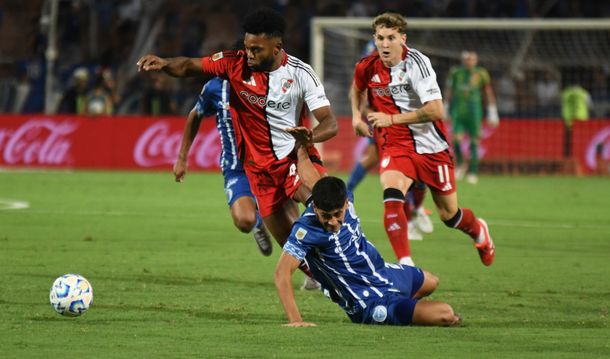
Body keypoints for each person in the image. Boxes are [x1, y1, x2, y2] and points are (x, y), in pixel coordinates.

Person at [137, 8, 337, 271]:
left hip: (290, 158)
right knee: (282, 244)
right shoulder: (229, 69)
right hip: (250, 168)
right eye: (246, 48)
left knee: (324, 208)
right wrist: (164, 63)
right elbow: (189, 70)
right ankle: (326, 278)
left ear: (276, 47)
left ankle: (356, 264)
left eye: (256, 49)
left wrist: (309, 136)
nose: (249, 55)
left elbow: (330, 122)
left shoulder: (300, 73)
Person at [351, 13, 495, 266]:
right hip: (396, 146)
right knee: (392, 195)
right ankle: (407, 266)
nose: (385, 44)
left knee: (449, 215)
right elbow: (357, 88)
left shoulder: (417, 63)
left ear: (402, 38)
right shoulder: (367, 65)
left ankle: (479, 230)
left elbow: (436, 110)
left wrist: (391, 119)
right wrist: (355, 116)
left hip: (431, 148)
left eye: (391, 38)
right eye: (380, 38)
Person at [274, 174, 460, 327]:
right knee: (445, 314)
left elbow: (313, 174)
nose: (332, 222)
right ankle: (397, 308)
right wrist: (296, 320)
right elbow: (281, 273)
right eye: (325, 216)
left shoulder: (344, 196)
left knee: (431, 282)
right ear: (315, 208)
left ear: (346, 203)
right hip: (367, 301)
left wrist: (302, 148)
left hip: (382, 274)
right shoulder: (306, 230)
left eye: (337, 214)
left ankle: (403, 305)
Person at [174, 77, 273, 256]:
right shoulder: (216, 87)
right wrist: (182, 158)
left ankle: (313, 271)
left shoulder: (271, 81)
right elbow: (195, 114)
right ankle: (257, 223)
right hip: (237, 169)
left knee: (291, 224)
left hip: (271, 167)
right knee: (244, 221)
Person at [444, 50, 499, 184]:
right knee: (456, 140)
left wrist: (492, 111)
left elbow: (488, 91)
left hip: (474, 112)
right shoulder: (456, 72)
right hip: (458, 111)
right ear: (463, 60)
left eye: (472, 59)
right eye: (467, 59)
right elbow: (449, 90)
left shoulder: (481, 73)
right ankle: (461, 164)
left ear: (476, 60)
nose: (469, 62)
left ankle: (473, 172)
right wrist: (445, 107)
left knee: (475, 141)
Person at [561, 81, 591, 157]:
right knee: (581, 142)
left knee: (568, 143)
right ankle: (580, 157)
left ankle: (568, 158)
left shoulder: (565, 93)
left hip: (568, 121)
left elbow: (560, 104)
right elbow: (590, 106)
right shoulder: (584, 93)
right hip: (581, 121)